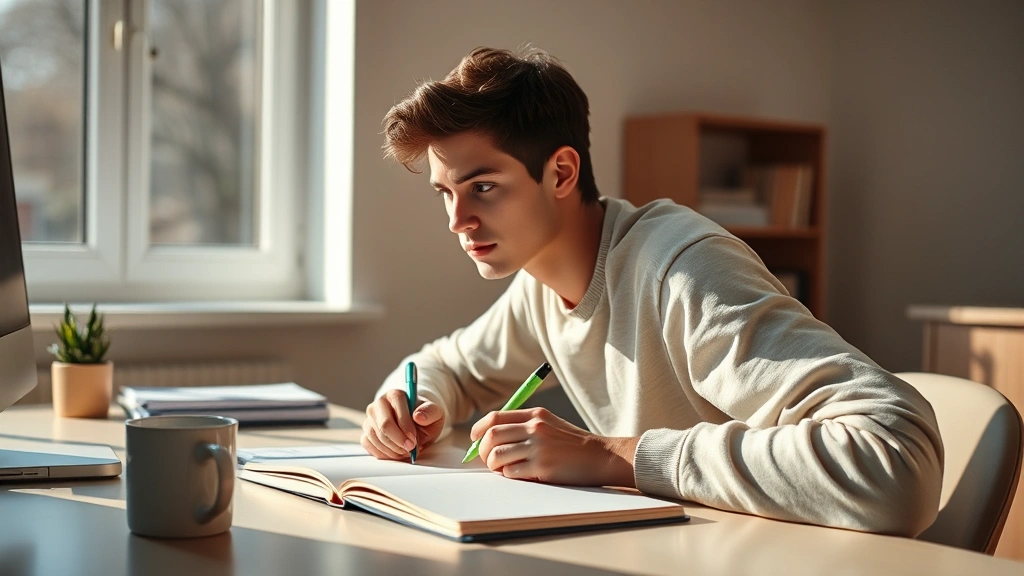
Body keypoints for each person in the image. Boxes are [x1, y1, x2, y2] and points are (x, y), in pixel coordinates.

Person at [361, 46, 943, 536]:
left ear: (561, 173)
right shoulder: (537, 283)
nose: (456, 219)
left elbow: (897, 462)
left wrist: (611, 455)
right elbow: (444, 365)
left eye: (482, 186)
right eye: (444, 192)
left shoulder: (680, 271)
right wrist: (407, 404)